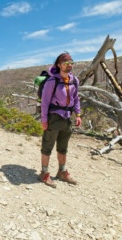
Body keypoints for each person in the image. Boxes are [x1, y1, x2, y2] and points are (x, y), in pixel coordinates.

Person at [38, 52, 82, 188]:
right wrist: (44, 120)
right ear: (59, 65)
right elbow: (44, 102)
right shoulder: (52, 81)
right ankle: (44, 174)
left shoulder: (74, 80)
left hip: (67, 117)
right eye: (65, 63)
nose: (69, 66)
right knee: (47, 146)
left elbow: (76, 98)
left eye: (71, 63)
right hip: (54, 117)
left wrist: (78, 114)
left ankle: (62, 172)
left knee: (63, 147)